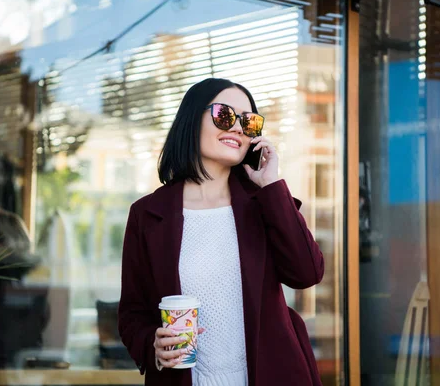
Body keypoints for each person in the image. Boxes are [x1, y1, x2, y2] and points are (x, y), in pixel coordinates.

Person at [118, 78, 324, 386]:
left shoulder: (263, 203)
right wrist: (154, 348)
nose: (238, 128)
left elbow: (306, 273)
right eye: (224, 115)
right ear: (192, 120)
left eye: (248, 122)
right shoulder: (147, 214)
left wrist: (271, 185)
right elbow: (132, 313)